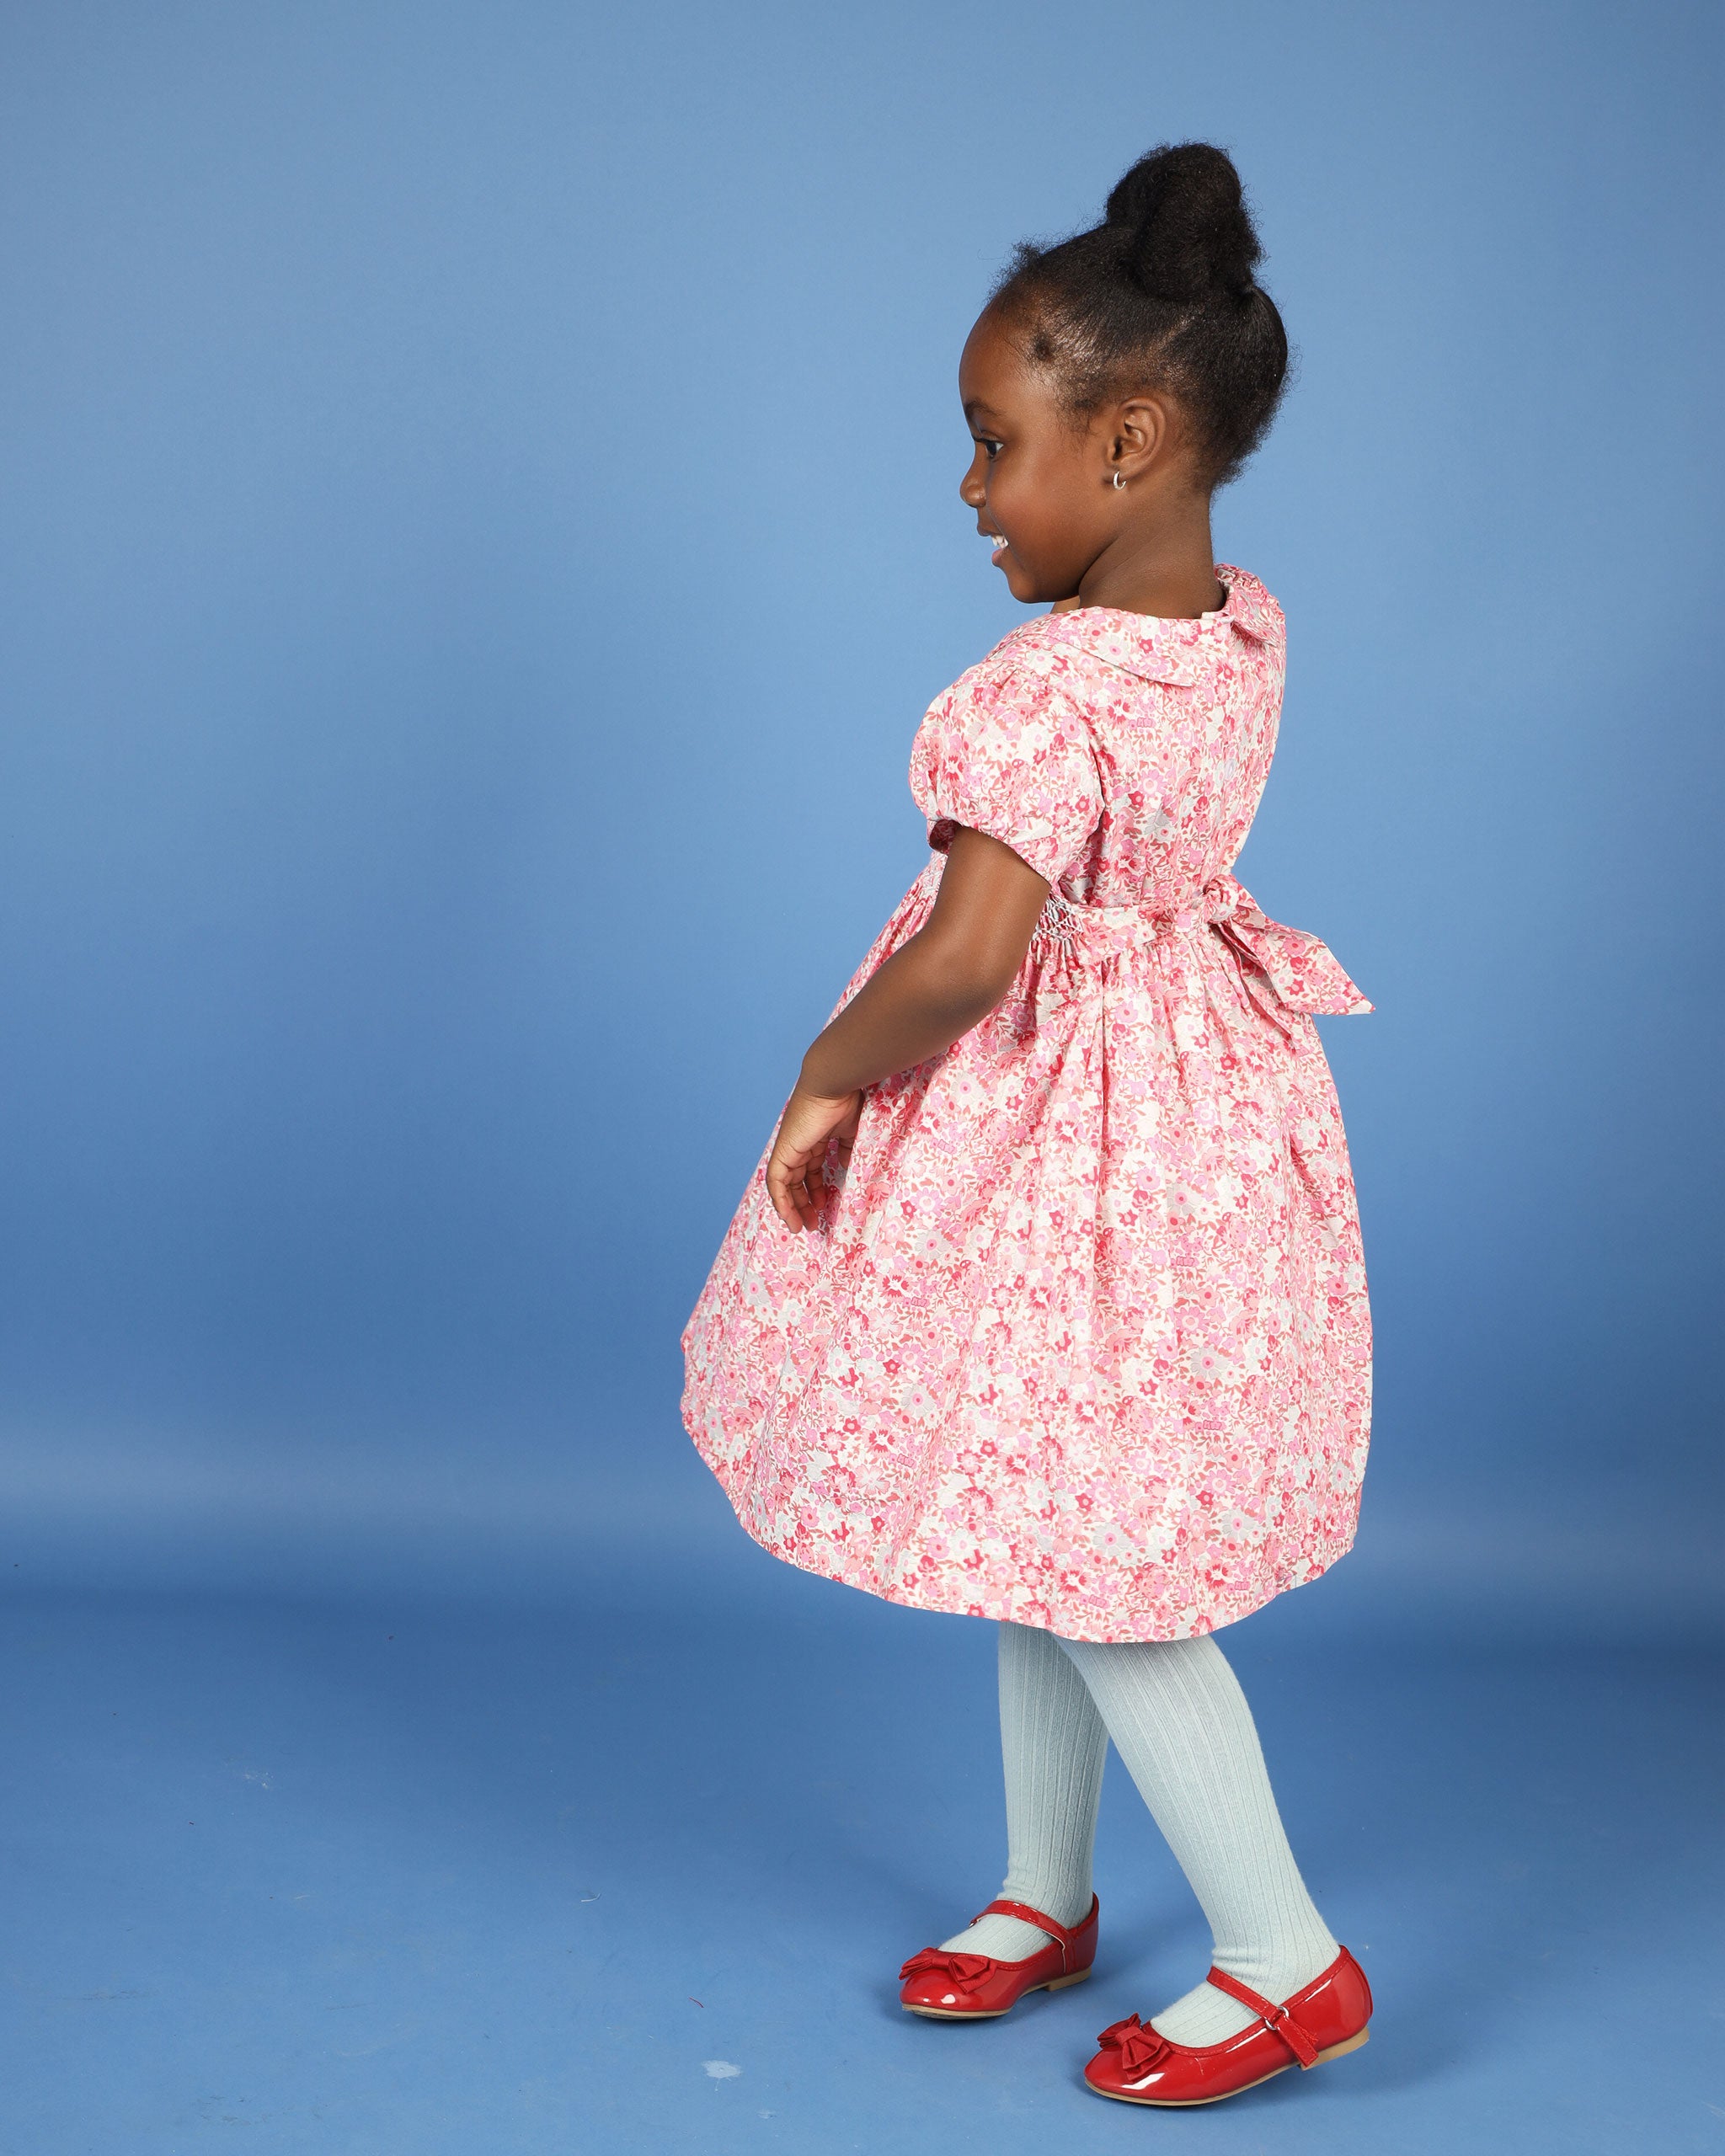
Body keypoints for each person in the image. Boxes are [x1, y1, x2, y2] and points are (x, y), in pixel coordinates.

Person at [681, 141, 1375, 2108]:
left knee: (1108, 1564)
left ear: (1131, 437)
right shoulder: (1237, 625)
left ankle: (1282, 1954)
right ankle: (1042, 1887)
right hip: (1199, 1119)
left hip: (1062, 1144)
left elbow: (971, 961)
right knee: (1039, 1511)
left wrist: (826, 1065)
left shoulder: (1031, 693)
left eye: (994, 444)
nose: (972, 489)